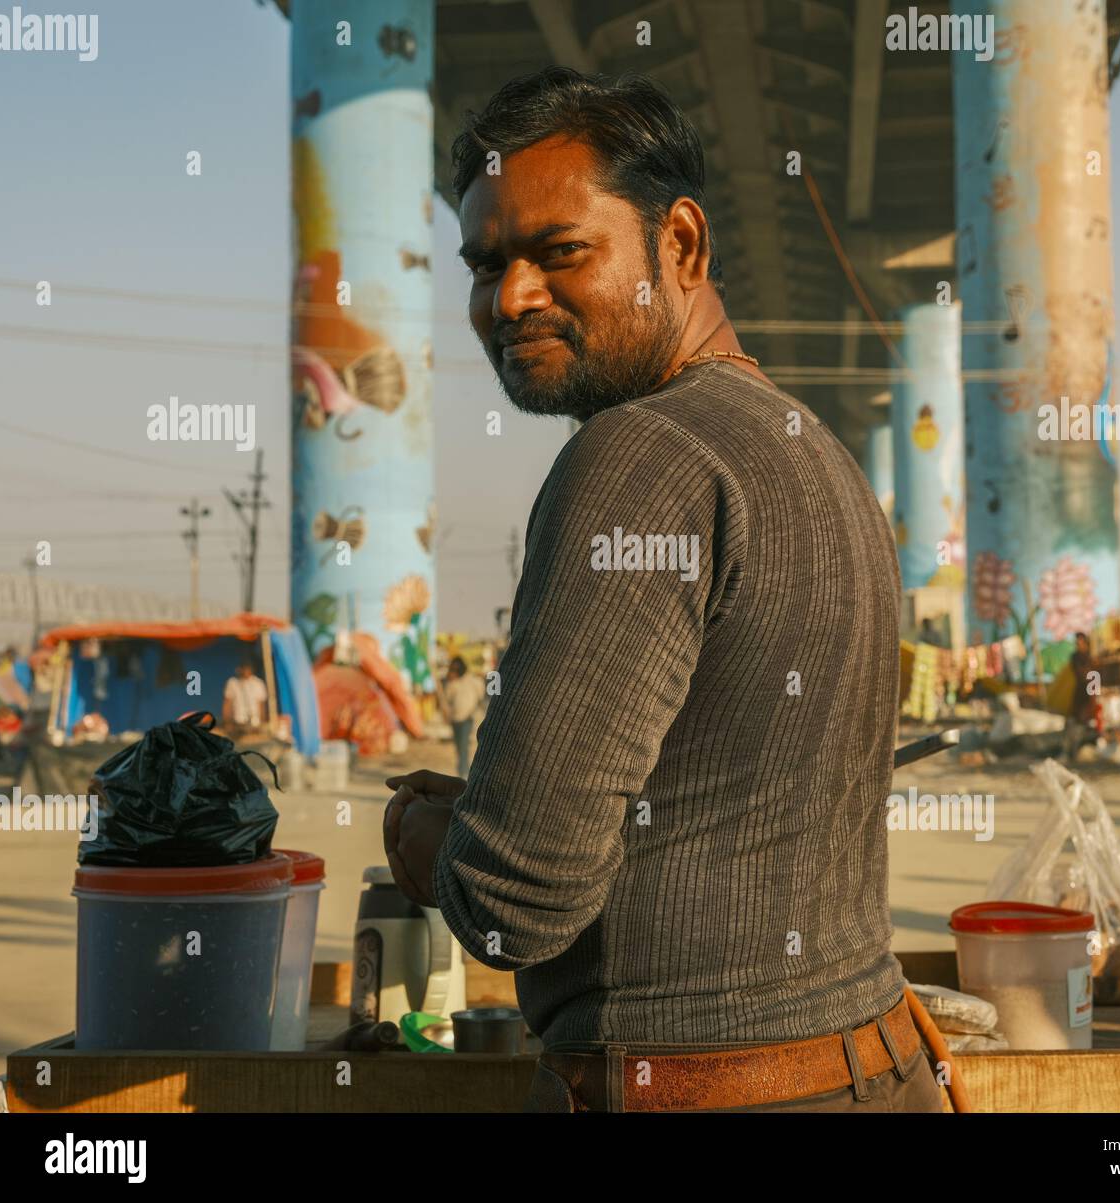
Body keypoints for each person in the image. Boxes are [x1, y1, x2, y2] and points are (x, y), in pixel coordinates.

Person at [382, 68, 939, 1114]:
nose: (510, 297)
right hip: (867, 1069)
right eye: (486, 263)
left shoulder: (640, 458)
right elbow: (713, 799)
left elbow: (517, 905)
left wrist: (435, 849)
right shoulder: (811, 451)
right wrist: (501, 815)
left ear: (678, 245)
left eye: (559, 252)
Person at [439, 656, 485, 776]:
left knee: (464, 747)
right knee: (459, 748)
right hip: (455, 720)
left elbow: (480, 697)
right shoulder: (453, 683)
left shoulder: (474, 681)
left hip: (467, 719)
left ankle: (464, 775)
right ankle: (462, 771)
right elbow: (447, 700)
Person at [1064, 632, 1097, 761]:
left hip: (1090, 693)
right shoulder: (1076, 657)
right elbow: (1081, 675)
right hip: (1081, 692)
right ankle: (1074, 752)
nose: (1079, 644)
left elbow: (1094, 676)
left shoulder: (1090, 657)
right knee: (1077, 722)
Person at [222, 661, 268, 732]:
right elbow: (227, 704)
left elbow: (261, 705)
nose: (245, 672)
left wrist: (262, 723)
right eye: (243, 669)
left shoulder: (258, 683)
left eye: (247, 669)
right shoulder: (233, 683)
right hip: (238, 723)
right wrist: (228, 723)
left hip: (255, 724)